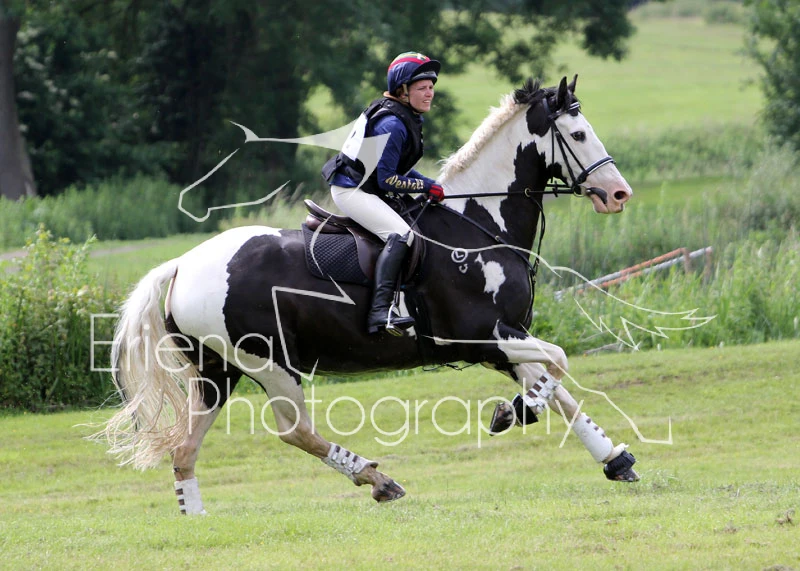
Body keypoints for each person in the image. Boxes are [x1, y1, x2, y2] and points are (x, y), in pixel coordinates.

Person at [321, 51, 446, 335]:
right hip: (352, 191)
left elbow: (398, 168)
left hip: (367, 186)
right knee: (401, 234)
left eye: (431, 87)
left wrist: (429, 183)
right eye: (422, 88)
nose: (429, 94)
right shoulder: (392, 124)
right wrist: (424, 186)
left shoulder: (404, 116)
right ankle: (380, 313)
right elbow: (388, 179)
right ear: (403, 91)